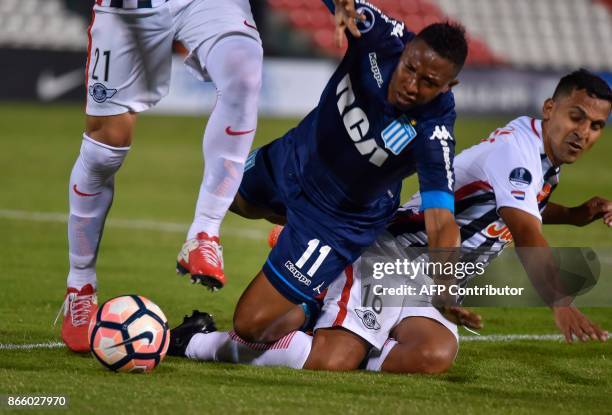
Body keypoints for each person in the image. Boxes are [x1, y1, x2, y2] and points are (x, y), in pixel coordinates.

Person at [170, 69, 612, 373]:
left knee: (432, 355)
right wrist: (559, 301)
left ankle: (326, 312)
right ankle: (198, 340)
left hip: (437, 273)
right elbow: (524, 228)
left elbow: (521, 209)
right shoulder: (517, 152)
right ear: (550, 108)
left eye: (596, 126)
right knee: (332, 359)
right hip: (392, 255)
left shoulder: (541, 159)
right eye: (576, 117)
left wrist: (574, 217)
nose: (583, 133)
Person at [184, 0, 470, 351]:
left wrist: (446, 287)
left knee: (251, 325)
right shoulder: (381, 36)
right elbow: (347, 6)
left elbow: (441, 221)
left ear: (448, 85)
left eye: (429, 82)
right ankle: (297, 243)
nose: (412, 85)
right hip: (295, 157)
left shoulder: (434, 129)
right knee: (228, 196)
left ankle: (312, 300)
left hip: (335, 221)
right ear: (407, 48)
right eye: (410, 69)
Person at [56, 0, 267, 353]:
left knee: (244, 74)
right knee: (104, 150)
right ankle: (81, 285)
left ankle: (204, 234)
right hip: (128, 9)